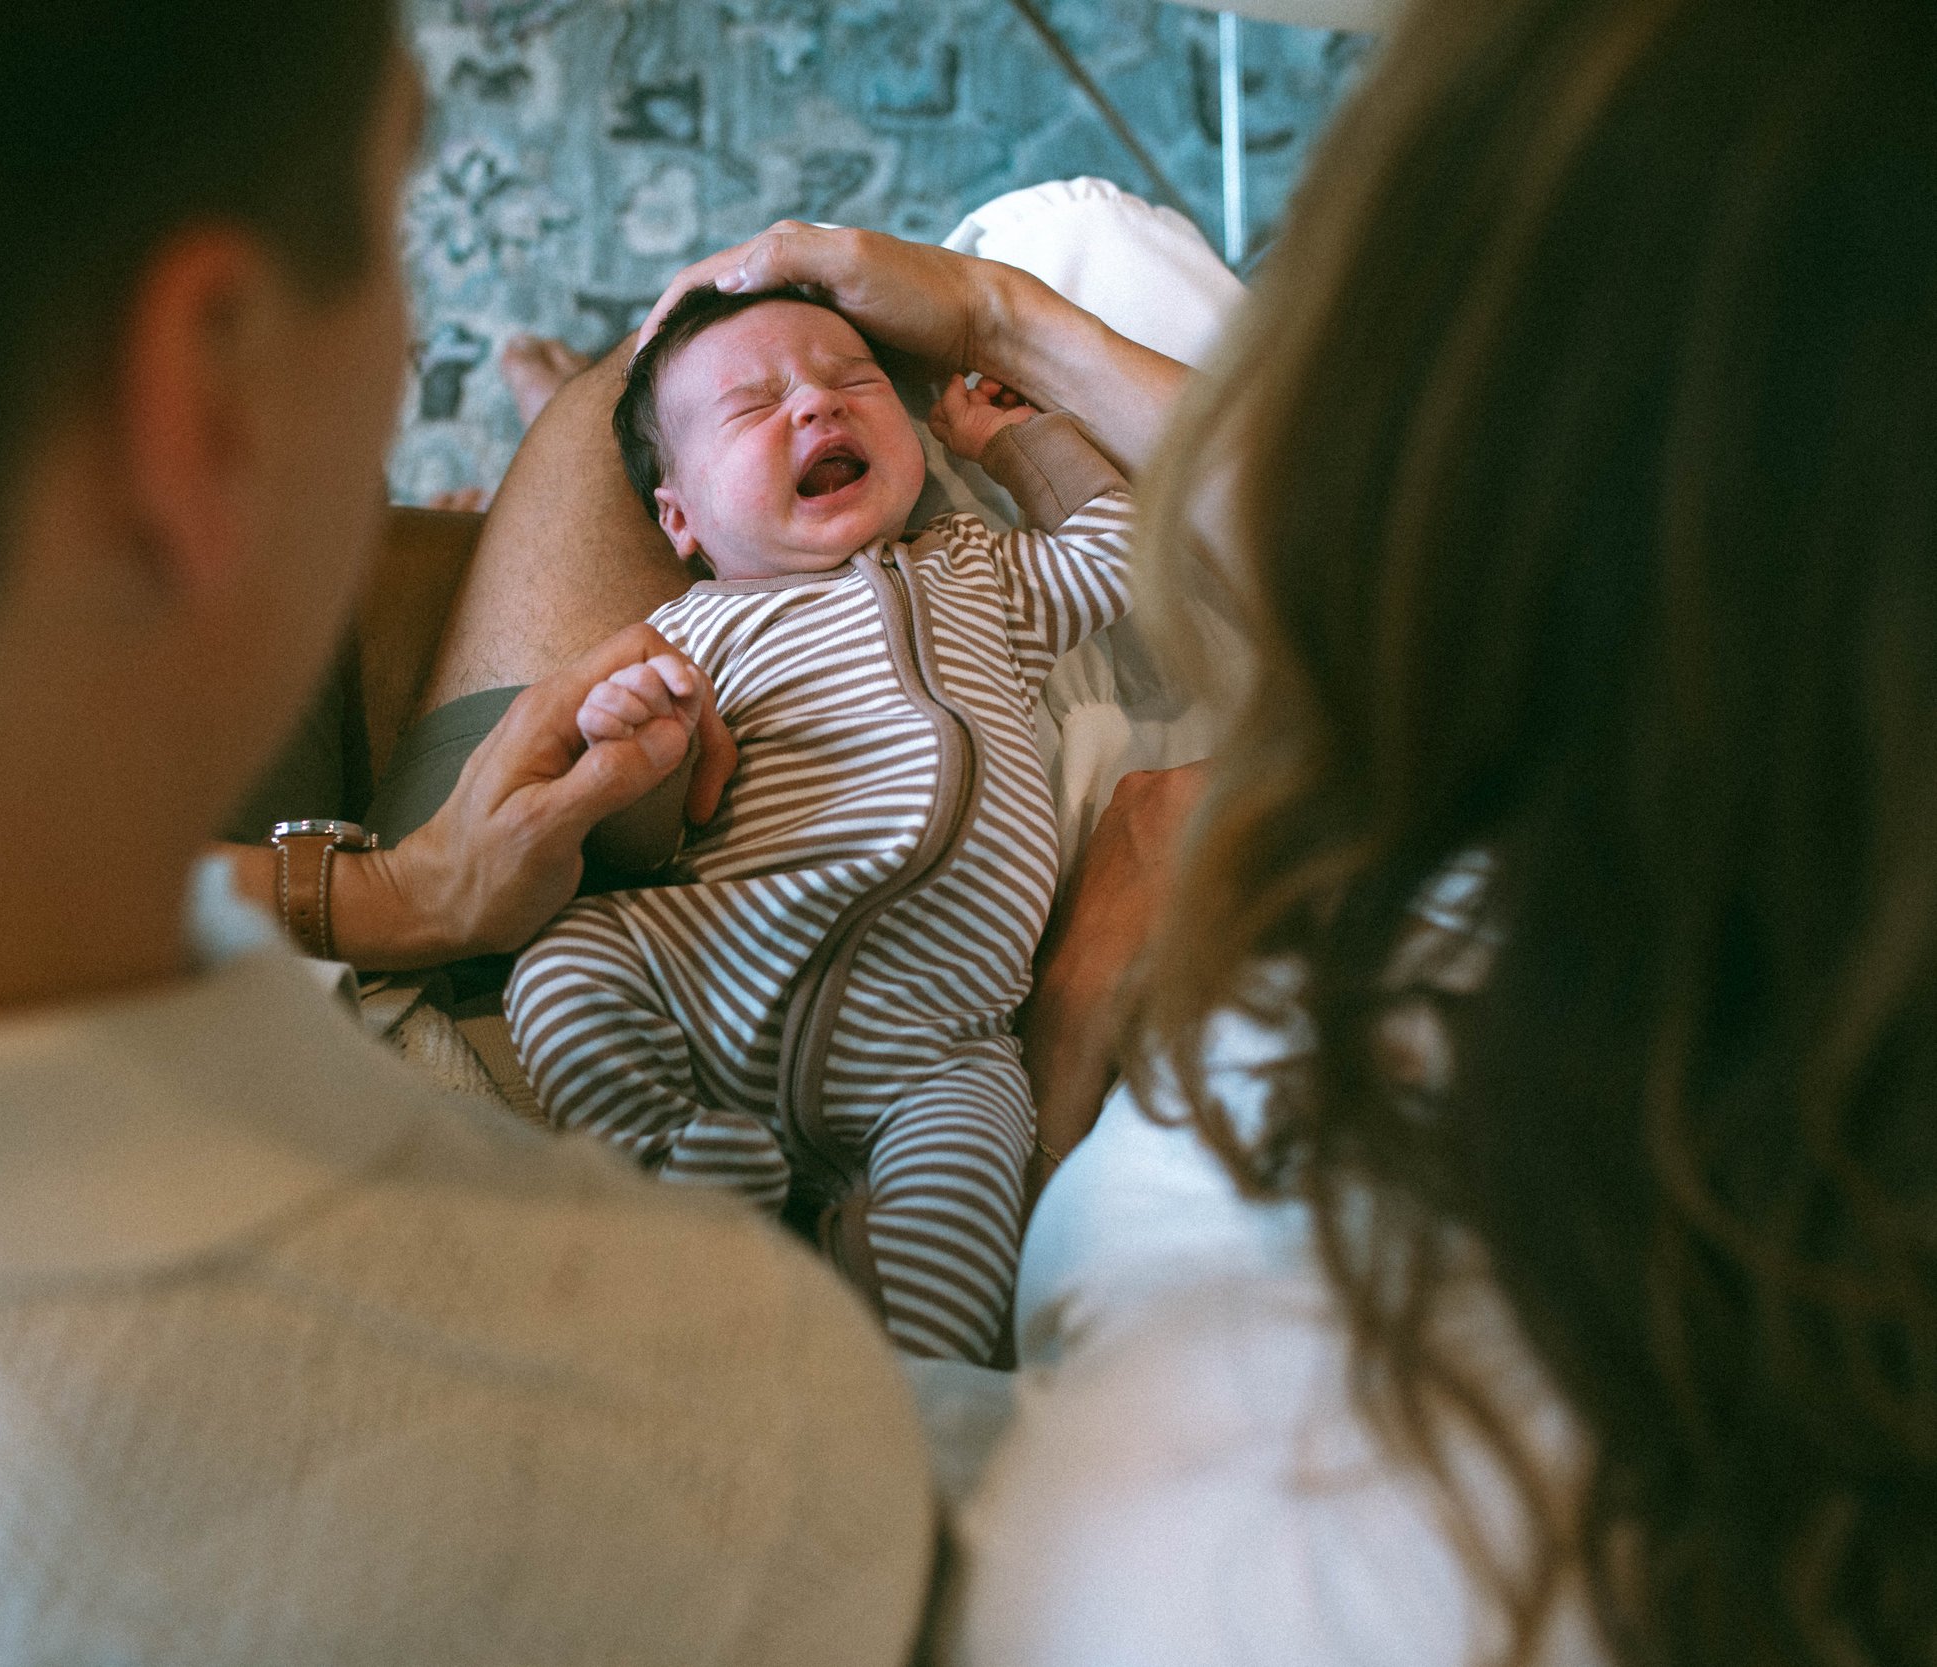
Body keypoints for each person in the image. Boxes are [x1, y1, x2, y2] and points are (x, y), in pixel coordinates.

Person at [0, 4, 938, 1661]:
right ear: (203, 394)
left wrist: (392, 893)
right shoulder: (695, 1428)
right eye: (387, 220)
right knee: (593, 400)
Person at [628, 0, 1937, 1661]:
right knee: (1045, 242)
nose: (815, 400)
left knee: (1057, 229)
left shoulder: (1236, 1503)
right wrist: (996, 321)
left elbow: (1189, 552)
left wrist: (1078, 1000)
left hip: (1004, 1091)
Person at [507, 284, 1135, 1364]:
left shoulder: (979, 571)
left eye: (853, 382)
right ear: (680, 520)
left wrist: (1010, 440)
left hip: (936, 1043)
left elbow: (1116, 547)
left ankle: (921, 1389)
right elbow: (637, 839)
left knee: (976, 1193)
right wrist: (630, 737)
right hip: (711, 970)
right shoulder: (688, 629)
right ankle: (679, 1165)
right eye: (753, 406)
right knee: (562, 970)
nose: (817, 408)